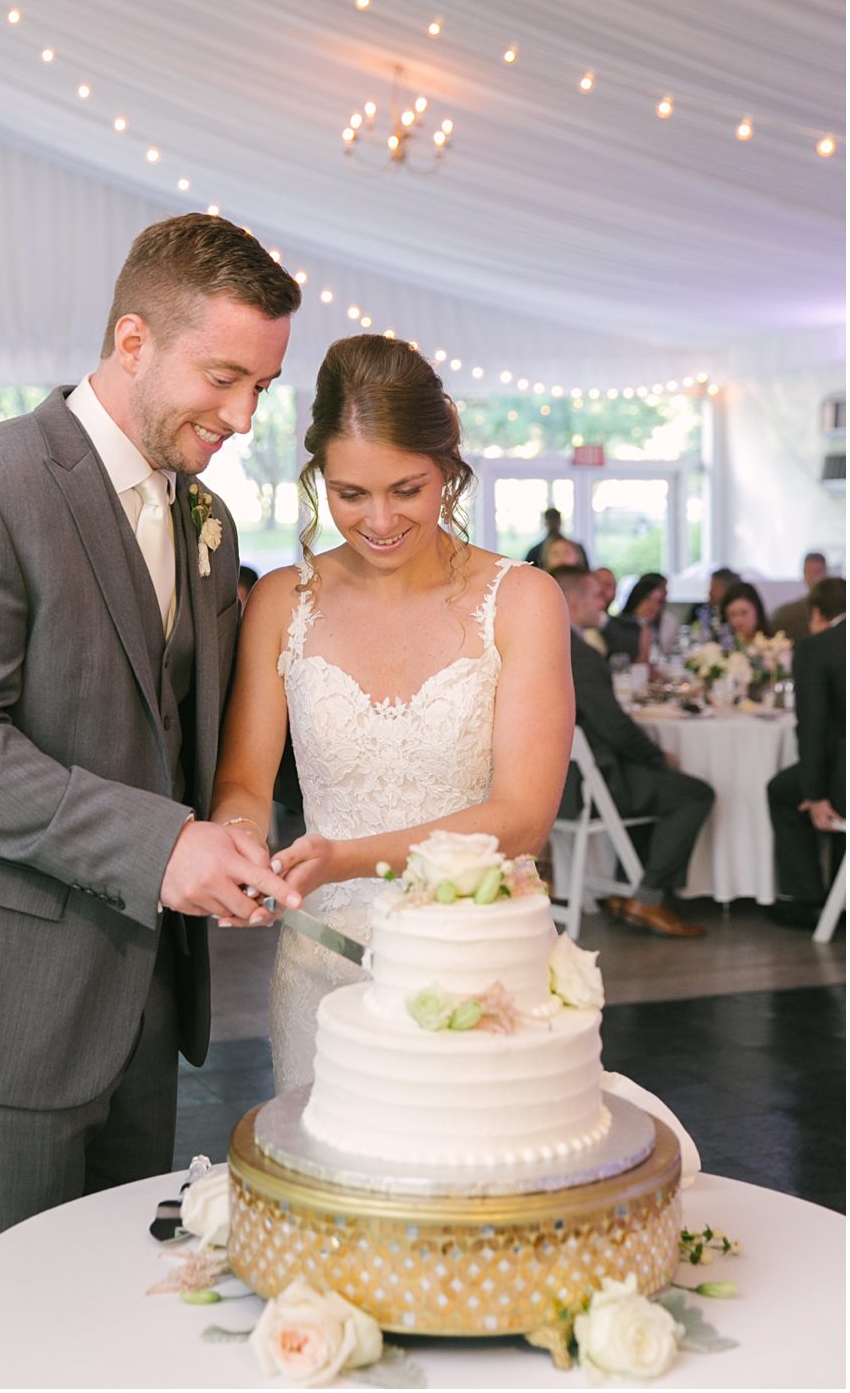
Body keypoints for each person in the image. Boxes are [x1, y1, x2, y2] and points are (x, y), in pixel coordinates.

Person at [0, 213, 305, 1312]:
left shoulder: (208, 521)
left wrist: (229, 833)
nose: (242, 416)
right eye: (223, 377)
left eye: (260, 387)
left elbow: (165, 739)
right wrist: (163, 847)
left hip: (138, 1000)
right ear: (132, 337)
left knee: (106, 1334)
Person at [210, 335, 573, 1091]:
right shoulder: (283, 601)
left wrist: (343, 858)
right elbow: (243, 781)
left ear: (448, 468)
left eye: (407, 490)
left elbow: (523, 818)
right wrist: (241, 851)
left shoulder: (523, 600)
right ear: (319, 479)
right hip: (322, 960)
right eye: (350, 494)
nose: (379, 520)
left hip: (475, 962)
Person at [553, 564, 716, 937]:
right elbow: (615, 728)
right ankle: (649, 896)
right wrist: (658, 757)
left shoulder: (551, 647)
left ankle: (625, 893)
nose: (605, 603)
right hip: (590, 788)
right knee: (693, 794)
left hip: (563, 782)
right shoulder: (580, 655)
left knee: (660, 783)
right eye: (597, 596)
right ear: (575, 601)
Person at [767, 577, 846, 928]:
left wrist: (815, 794)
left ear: (817, 613)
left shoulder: (817, 648)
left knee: (784, 791)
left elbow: (812, 728)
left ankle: (808, 899)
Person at [604, 573, 668, 663]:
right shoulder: (620, 626)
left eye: (658, 602)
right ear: (637, 597)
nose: (653, 606)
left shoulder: (654, 626)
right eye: (648, 599)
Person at [768, 553, 830, 641]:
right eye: (809, 572)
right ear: (804, 575)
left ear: (826, 573)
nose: (814, 577)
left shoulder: (839, 607)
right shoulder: (789, 613)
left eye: (818, 572)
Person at [720, 581, 767, 646]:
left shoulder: (774, 647)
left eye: (744, 613)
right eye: (733, 614)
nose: (739, 621)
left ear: (757, 611)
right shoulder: (720, 648)